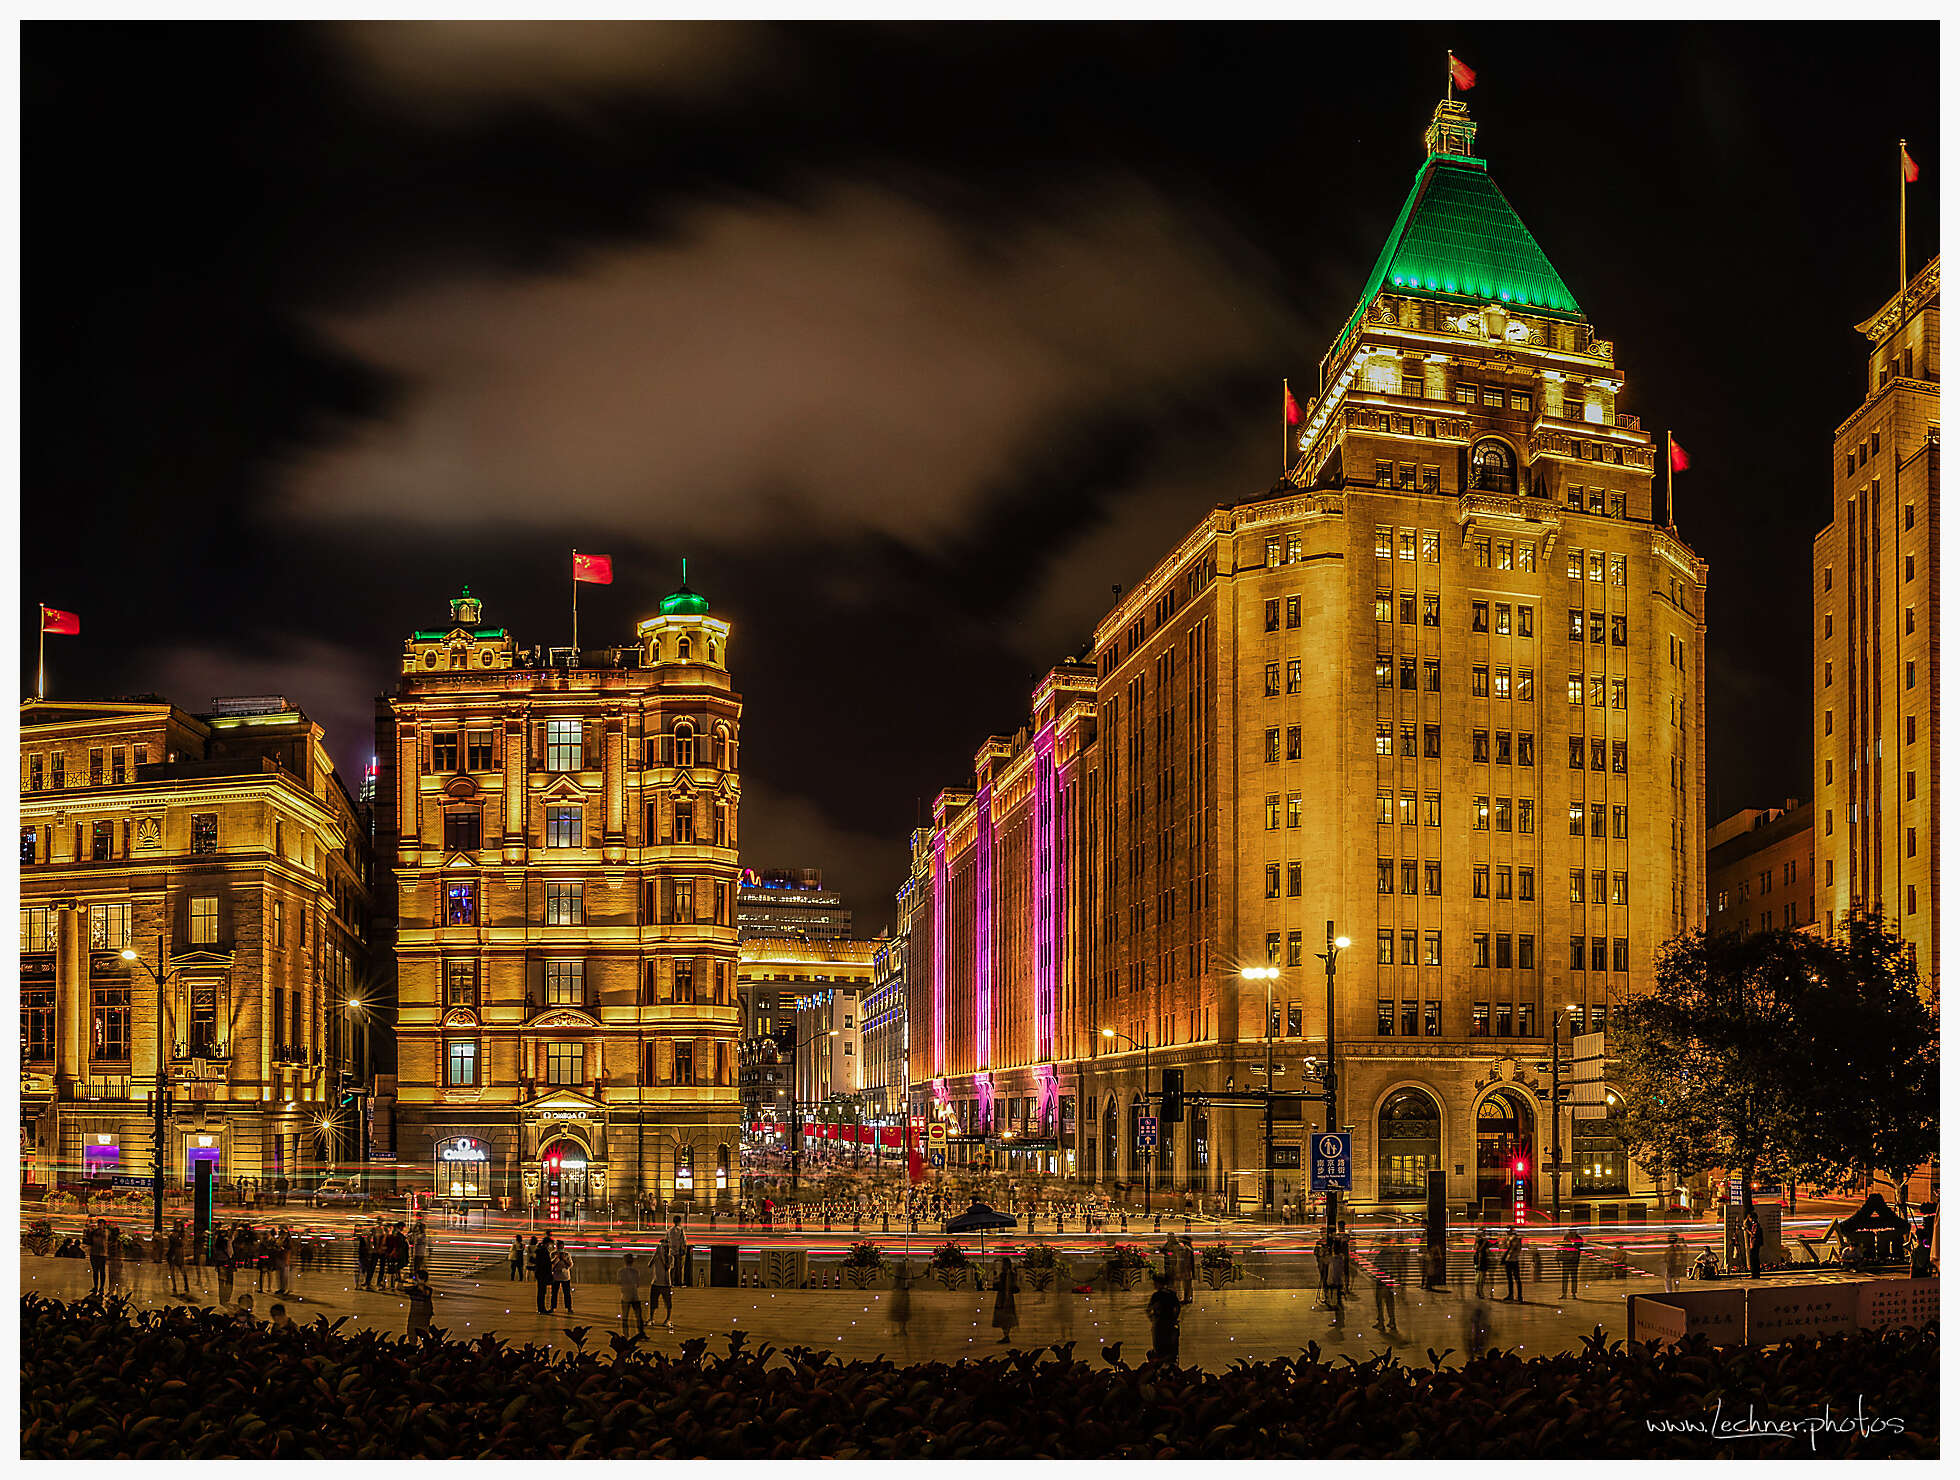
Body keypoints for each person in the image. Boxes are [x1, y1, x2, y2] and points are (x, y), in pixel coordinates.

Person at [1145, 1271, 1182, 1364]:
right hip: (1171, 1323)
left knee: (1159, 1347)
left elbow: (1149, 1309)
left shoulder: (1157, 1295)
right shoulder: (1172, 1294)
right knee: (1171, 1348)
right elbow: (1177, 1308)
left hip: (1160, 1325)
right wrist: (1174, 1318)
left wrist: (1153, 1318)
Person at [617, 1252, 648, 1337]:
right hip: (634, 1296)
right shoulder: (635, 1271)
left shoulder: (621, 1271)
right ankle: (641, 1333)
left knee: (625, 1317)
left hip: (625, 1296)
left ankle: (625, 1334)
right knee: (638, 1317)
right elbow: (638, 1284)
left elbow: (619, 1282)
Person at [991, 1254, 1020, 1344]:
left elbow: (1003, 1286)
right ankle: (1006, 1335)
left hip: (1003, 1297)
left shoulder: (1005, 1275)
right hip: (1007, 1297)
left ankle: (1006, 1335)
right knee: (1007, 1317)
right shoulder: (1011, 1274)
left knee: (1004, 1317)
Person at [647, 1237, 674, 1328]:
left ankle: (668, 1319)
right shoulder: (657, 1257)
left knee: (668, 1303)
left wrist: (661, 1256)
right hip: (656, 1282)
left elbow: (667, 1267)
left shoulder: (670, 1258)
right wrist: (655, 1255)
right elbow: (649, 1265)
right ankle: (651, 1318)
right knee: (653, 1302)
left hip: (666, 1284)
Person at [405, 1270, 436, 1339]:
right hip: (421, 1317)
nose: (414, 1279)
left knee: (414, 1336)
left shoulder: (414, 1290)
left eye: (416, 1277)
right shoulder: (428, 1290)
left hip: (418, 1317)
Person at [85, 1218, 110, 1296]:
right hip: (94, 1253)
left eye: (101, 1223)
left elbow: (103, 1236)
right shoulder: (94, 1232)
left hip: (102, 1254)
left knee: (102, 1271)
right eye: (99, 1223)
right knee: (95, 1271)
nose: (99, 1225)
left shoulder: (105, 1232)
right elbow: (89, 1239)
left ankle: (101, 1287)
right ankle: (96, 1286)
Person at [532, 1233, 556, 1313]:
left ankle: (541, 1308)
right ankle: (541, 1309)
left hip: (541, 1273)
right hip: (542, 1274)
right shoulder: (543, 1250)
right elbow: (543, 1263)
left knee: (542, 1292)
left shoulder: (541, 1250)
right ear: (547, 1243)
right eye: (550, 1244)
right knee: (542, 1292)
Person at [889, 1258, 912, 1338]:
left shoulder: (899, 1276)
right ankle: (903, 1329)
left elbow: (895, 1285)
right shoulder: (906, 1275)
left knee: (900, 1313)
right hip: (903, 1294)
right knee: (903, 1313)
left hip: (900, 1294)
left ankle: (901, 1329)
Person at [551, 1236, 575, 1313]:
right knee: (554, 1293)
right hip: (556, 1276)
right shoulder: (553, 1254)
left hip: (565, 1277)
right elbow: (551, 1265)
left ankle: (569, 1307)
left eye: (561, 1246)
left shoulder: (567, 1254)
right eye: (558, 1246)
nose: (559, 1248)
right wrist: (556, 1258)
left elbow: (570, 1265)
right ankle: (552, 1307)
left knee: (567, 1293)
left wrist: (564, 1259)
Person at [1502, 1229, 1524, 1302]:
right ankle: (1513, 1295)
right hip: (1512, 1260)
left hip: (1512, 1260)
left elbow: (1510, 1248)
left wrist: (1508, 1241)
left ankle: (1518, 1296)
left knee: (1515, 1279)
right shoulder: (1515, 1239)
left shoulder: (1515, 1239)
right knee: (1512, 1279)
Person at [1473, 1226, 1492, 1300]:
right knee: (1481, 1277)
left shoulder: (1478, 1240)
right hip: (1481, 1259)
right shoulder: (1481, 1241)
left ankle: (1478, 1291)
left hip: (1478, 1259)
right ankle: (1480, 1292)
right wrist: (1484, 1243)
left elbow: (1476, 1249)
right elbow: (1479, 1250)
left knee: (1478, 1275)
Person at [1744, 1211, 1763, 1279]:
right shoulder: (1755, 1224)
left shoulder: (1756, 1225)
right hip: (1754, 1244)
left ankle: (1754, 1274)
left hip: (1754, 1244)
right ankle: (1756, 1274)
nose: (1749, 1219)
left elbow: (1753, 1234)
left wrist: (1746, 1230)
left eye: (1749, 1218)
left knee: (1753, 1259)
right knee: (1755, 1259)